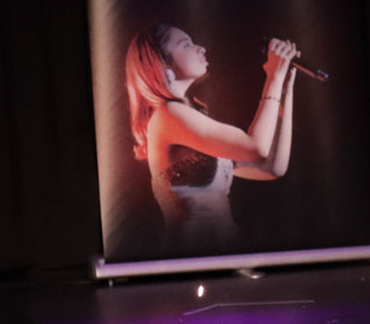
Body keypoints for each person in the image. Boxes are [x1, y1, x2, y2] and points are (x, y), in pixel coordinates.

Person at [125, 25, 301, 255]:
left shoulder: (188, 115)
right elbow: (255, 147)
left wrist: (285, 86)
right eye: (186, 45)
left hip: (224, 249)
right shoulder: (168, 114)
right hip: (193, 256)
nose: (201, 48)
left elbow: (272, 166)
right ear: (161, 62)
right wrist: (273, 78)